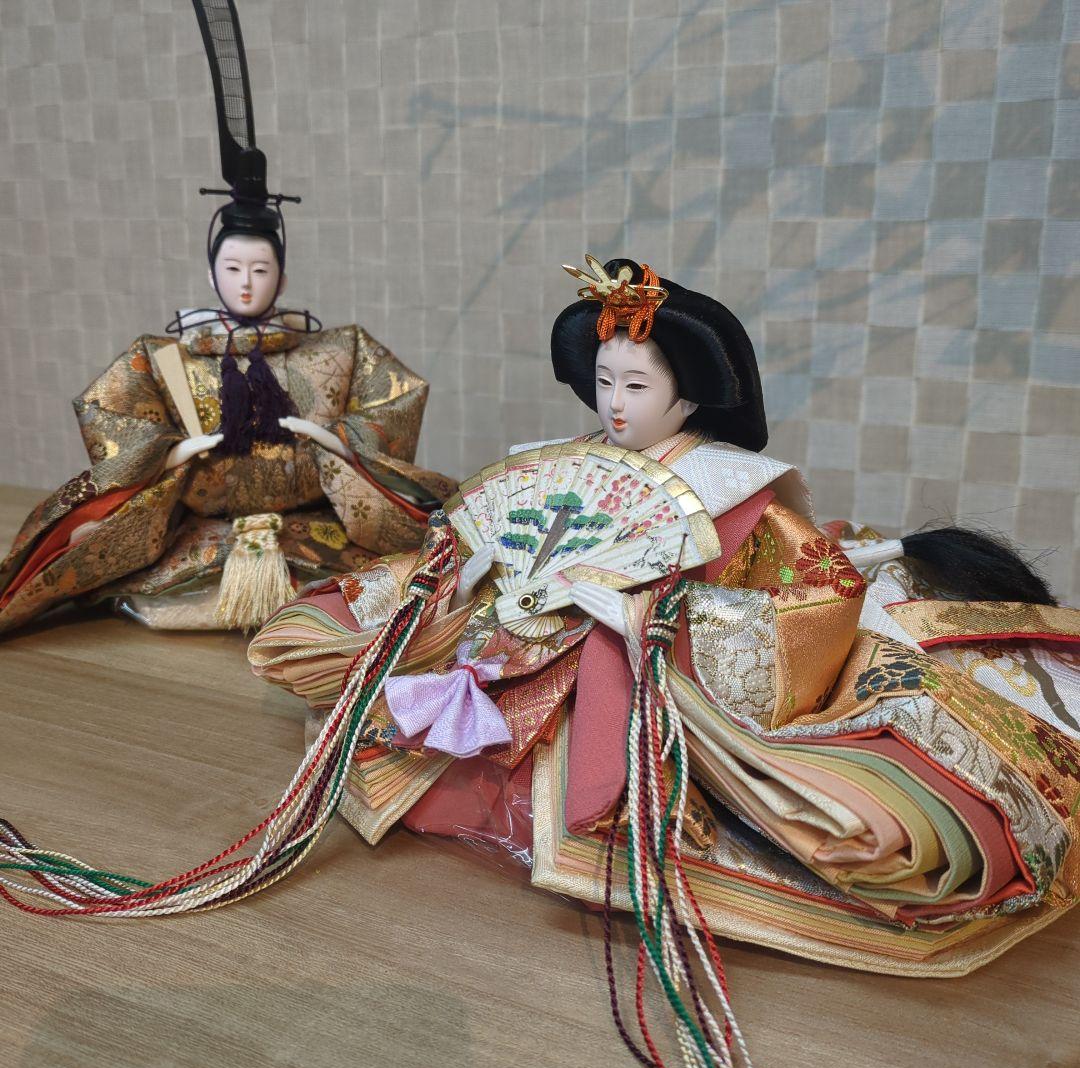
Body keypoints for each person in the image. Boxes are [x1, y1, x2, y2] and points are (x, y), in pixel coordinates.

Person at [249, 258, 1080, 977]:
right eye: (604, 381)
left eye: (637, 385)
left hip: (644, 674)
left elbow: (812, 603)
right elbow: (498, 543)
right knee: (377, 690)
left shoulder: (733, 491)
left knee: (861, 823)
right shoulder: (571, 466)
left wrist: (649, 614)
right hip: (520, 654)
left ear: (687, 400)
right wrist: (464, 573)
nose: (614, 403)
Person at [0, 3, 454, 634]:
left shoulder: (340, 350)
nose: (246, 282)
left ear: (282, 278)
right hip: (200, 538)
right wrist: (169, 452)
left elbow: (393, 406)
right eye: (233, 268)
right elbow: (113, 418)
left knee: (396, 582)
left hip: (311, 536)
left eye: (260, 269)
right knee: (143, 585)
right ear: (211, 274)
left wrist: (334, 439)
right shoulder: (164, 357)